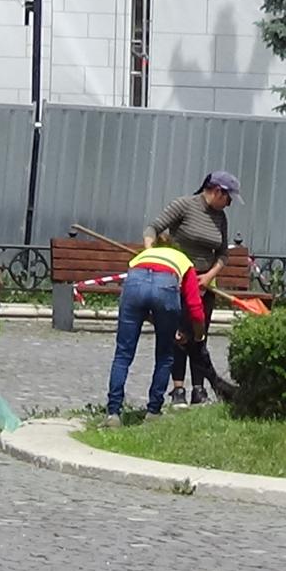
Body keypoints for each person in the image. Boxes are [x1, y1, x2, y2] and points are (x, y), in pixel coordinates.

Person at [143, 170, 242, 408]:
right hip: (177, 281)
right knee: (179, 336)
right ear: (217, 191)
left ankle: (199, 389)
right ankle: (178, 389)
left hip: (203, 286)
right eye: (228, 198)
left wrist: (208, 277)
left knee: (199, 336)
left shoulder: (220, 218)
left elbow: (223, 254)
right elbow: (152, 229)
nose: (229, 204)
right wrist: (152, 257)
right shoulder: (184, 206)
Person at [102, 235, 207, 427]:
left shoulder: (143, 256)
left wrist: (162, 322)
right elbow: (195, 306)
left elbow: (141, 301)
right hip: (166, 286)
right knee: (165, 355)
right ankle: (153, 411)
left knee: (123, 354)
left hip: (134, 283)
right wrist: (198, 335)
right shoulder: (183, 261)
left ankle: (113, 413)